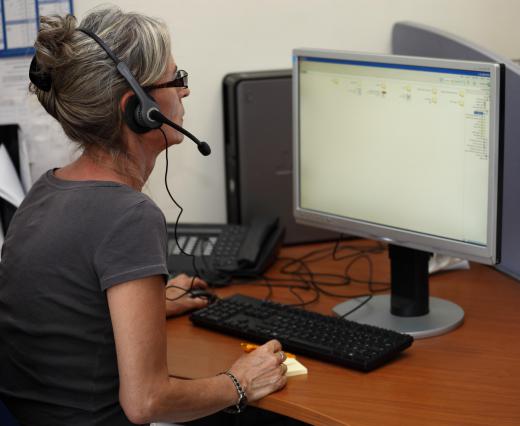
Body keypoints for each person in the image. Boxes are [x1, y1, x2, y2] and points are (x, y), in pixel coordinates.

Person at [0, 6, 287, 426]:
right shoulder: (128, 215)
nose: (185, 92)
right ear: (139, 108)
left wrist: (151, 307)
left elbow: (65, 319)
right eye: (176, 79)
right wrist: (240, 381)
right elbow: (147, 401)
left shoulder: (47, 189)